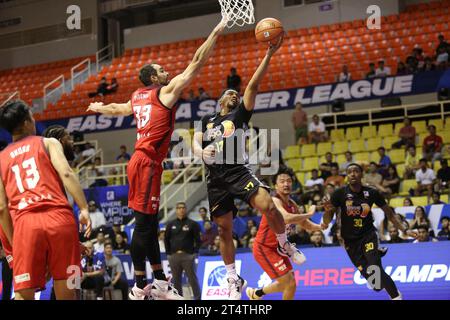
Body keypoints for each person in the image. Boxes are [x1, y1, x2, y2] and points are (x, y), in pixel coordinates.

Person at [86, 19, 227, 300]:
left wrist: (101, 107)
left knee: (150, 224)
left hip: (142, 162)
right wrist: (217, 31)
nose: (167, 72)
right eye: (162, 70)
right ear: (153, 78)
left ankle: (160, 280)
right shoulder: (165, 93)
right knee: (142, 225)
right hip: (147, 162)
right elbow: (196, 63)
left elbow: (118, 108)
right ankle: (140, 285)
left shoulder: (138, 97)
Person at [193, 35, 304, 300]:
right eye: (229, 94)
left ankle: (283, 243)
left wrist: (268, 55)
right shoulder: (208, 120)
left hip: (237, 171)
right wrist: (200, 151)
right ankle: (232, 276)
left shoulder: (239, 114)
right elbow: (196, 140)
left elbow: (253, 86)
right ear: (220, 101)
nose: (234, 96)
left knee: (267, 205)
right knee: (223, 229)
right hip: (216, 179)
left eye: (235, 94)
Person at [0, 100, 91, 300]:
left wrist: (16, 242)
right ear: (25, 123)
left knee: (23, 295)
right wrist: (84, 208)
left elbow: (1, 208)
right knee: (69, 290)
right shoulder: (48, 142)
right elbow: (67, 173)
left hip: (25, 224)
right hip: (60, 218)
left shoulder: (1, 158)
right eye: (32, 117)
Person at [323, 163, 417, 300]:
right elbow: (327, 220)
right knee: (376, 285)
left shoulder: (372, 193)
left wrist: (405, 230)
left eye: (356, 171)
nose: (353, 174)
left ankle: (396, 296)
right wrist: (327, 210)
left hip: (368, 236)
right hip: (350, 242)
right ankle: (376, 256)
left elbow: (390, 214)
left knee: (375, 268)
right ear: (347, 176)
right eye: (349, 172)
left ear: (362, 174)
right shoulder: (339, 194)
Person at [247, 166, 321, 300]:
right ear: (275, 185)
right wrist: (309, 213)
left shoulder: (292, 204)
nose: (286, 184)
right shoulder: (274, 200)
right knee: (288, 282)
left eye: (288, 181)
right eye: (282, 181)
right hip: (264, 248)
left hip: (279, 249)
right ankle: (256, 294)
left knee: (290, 283)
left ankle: (256, 294)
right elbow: (286, 218)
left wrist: (320, 226)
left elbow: (304, 224)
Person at [164, 202, 202, 300]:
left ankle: (197, 298)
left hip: (187, 256)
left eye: (183, 208)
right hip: (174, 256)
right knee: (176, 280)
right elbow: (166, 239)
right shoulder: (170, 224)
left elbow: (198, 240)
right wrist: (168, 254)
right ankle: (179, 298)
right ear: (176, 210)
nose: (181, 209)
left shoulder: (192, 224)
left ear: (186, 209)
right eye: (179, 208)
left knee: (192, 279)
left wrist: (194, 253)